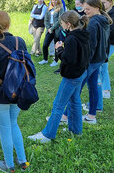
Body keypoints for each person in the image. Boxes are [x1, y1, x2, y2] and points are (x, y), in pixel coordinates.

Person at [28, 11, 90, 143]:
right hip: (80, 73)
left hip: (72, 76)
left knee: (58, 105)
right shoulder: (83, 33)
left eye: (61, 23)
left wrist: (59, 49)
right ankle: (76, 130)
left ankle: (48, 135)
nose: (60, 26)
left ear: (68, 24)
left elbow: (69, 60)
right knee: (74, 101)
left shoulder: (72, 39)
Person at [0, 11, 28, 173]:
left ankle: (9, 166)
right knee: (13, 124)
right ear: (8, 24)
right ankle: (23, 162)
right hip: (17, 91)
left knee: (5, 129)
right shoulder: (19, 41)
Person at [62, 0, 112, 124]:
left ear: (97, 8)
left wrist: (84, 63)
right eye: (84, 9)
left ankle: (66, 116)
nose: (85, 12)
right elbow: (105, 42)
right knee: (93, 86)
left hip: (92, 61)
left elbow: (92, 46)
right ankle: (91, 116)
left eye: (88, 9)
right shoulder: (103, 19)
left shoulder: (94, 23)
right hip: (99, 59)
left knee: (77, 87)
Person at [38, 0, 65, 67]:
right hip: (49, 29)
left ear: (58, 0)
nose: (54, 1)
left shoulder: (61, 8)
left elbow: (60, 20)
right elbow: (46, 19)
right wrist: (48, 28)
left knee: (57, 45)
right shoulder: (49, 8)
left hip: (56, 29)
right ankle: (45, 59)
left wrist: (52, 28)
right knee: (45, 45)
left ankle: (56, 61)